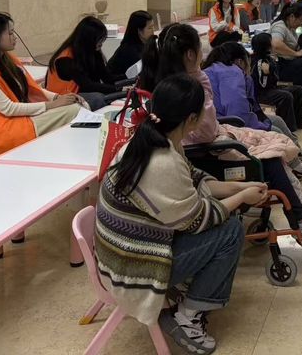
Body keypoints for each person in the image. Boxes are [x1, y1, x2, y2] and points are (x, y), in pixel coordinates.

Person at [95, 73, 266, 353]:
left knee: (226, 220)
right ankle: (186, 317)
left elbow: (192, 180)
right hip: (132, 268)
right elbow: (197, 221)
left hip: (118, 253)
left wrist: (238, 186)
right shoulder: (162, 161)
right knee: (231, 231)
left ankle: (187, 295)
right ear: (191, 119)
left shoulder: (152, 139)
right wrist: (242, 197)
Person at [138, 23, 302, 231]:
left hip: (209, 141)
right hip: (207, 151)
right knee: (271, 154)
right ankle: (301, 213)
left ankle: (301, 204)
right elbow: (206, 131)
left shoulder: (169, 82)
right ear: (190, 54)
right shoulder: (191, 88)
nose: (203, 54)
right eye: (200, 49)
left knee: (273, 140)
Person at [0, 12, 83, 157]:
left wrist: (58, 97)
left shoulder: (7, 59)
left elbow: (31, 89)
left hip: (21, 119)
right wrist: (52, 104)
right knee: (75, 111)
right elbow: (9, 109)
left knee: (79, 106)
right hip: (5, 131)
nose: (15, 37)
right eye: (10, 33)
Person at [203, 42, 302, 180]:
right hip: (228, 123)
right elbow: (237, 112)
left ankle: (297, 152)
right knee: (275, 131)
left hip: (226, 119)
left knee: (277, 120)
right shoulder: (231, 73)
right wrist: (262, 125)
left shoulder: (215, 70)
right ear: (240, 61)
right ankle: (297, 167)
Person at [47, 16, 125, 111]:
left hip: (81, 94)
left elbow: (106, 77)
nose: (101, 43)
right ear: (88, 40)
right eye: (99, 39)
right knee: (98, 98)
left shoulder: (91, 52)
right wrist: (119, 89)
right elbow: (88, 85)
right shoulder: (65, 59)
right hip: (62, 99)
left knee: (107, 95)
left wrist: (127, 80)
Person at [250, 33, 302, 132]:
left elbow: (275, 79)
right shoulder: (258, 61)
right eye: (271, 42)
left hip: (271, 89)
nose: (273, 44)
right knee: (285, 96)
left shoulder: (268, 58)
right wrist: (266, 74)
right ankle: (288, 127)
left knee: (299, 90)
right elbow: (262, 84)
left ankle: (300, 121)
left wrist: (271, 71)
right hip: (261, 93)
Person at [107, 10, 154, 77]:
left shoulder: (143, 45)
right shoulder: (131, 51)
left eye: (153, 26)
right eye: (150, 28)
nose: (153, 31)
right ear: (139, 31)